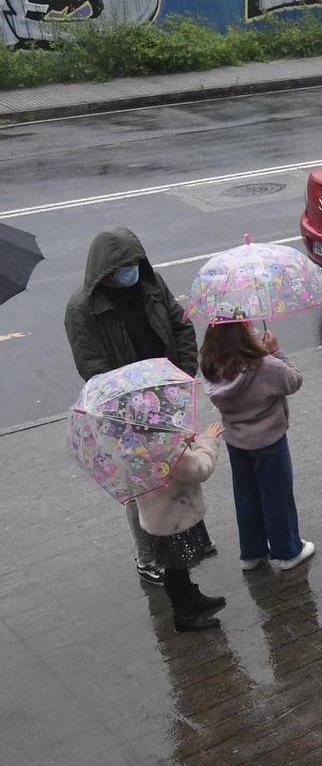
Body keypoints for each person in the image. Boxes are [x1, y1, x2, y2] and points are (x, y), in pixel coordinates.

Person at [65, 228, 199, 587]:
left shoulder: (151, 286)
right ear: (105, 271)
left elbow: (181, 325)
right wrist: (127, 402)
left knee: (179, 471)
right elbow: (91, 366)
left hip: (167, 398)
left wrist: (184, 374)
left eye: (136, 263)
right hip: (124, 412)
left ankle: (185, 542)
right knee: (139, 487)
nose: (132, 271)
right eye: (124, 267)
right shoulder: (82, 309)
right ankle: (148, 557)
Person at [200, 322, 313, 573]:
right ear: (243, 336)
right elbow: (294, 381)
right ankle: (287, 551)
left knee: (246, 496)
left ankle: (251, 553)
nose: (253, 330)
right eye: (249, 328)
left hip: (236, 442)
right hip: (269, 442)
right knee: (277, 496)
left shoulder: (212, 368)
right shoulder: (265, 366)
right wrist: (275, 351)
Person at [136, 420, 227, 632]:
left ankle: (190, 596)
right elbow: (199, 469)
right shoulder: (161, 445)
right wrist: (208, 441)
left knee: (177, 563)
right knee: (175, 567)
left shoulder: (133, 440)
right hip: (173, 515)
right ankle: (184, 614)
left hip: (159, 515)